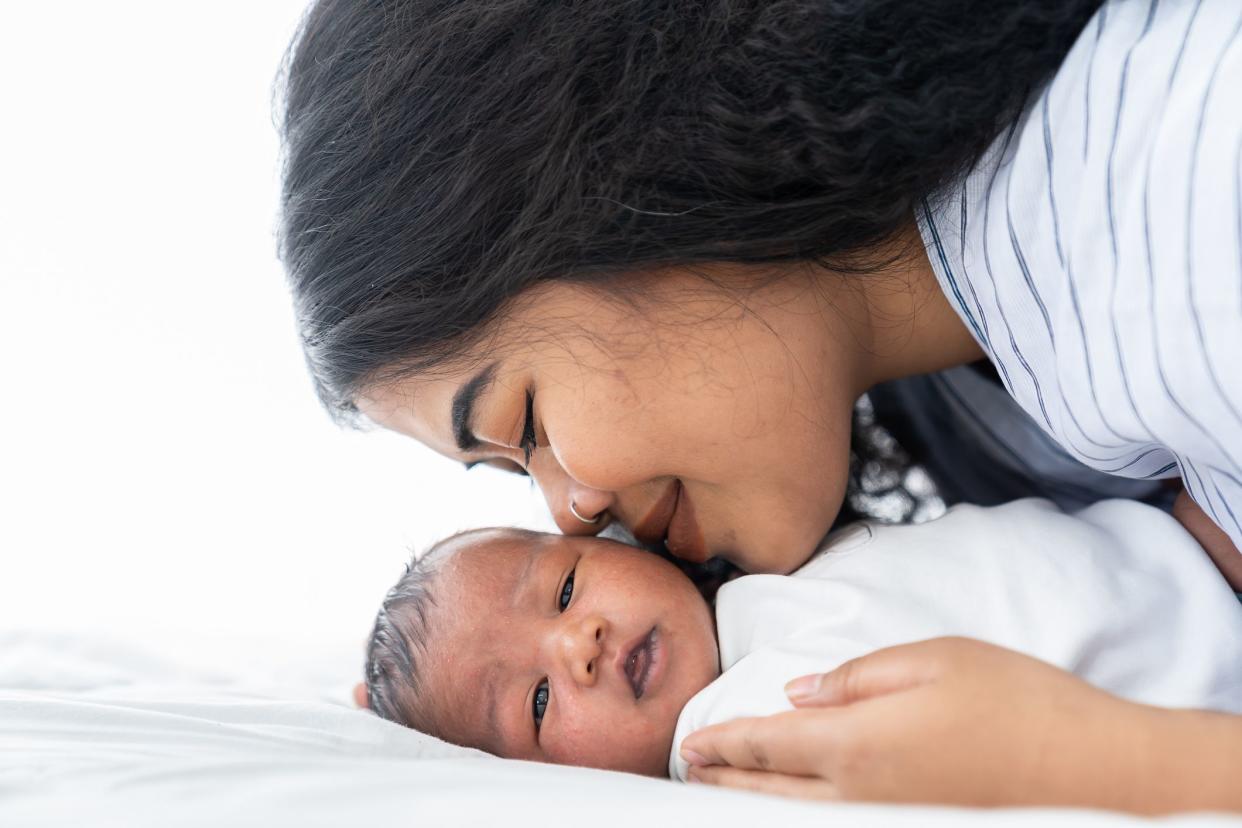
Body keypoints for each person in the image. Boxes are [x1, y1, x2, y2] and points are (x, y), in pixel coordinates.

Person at [278, 0, 1242, 810]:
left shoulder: (1184, 207)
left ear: (626, 191)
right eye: (516, 472)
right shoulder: (994, 385)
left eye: (525, 424)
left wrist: (1113, 763)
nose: (569, 511)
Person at [359, 500, 1242, 792]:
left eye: (564, 588)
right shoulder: (730, 747)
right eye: (540, 703)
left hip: (1187, 546)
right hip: (1196, 696)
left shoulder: (763, 561)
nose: (577, 644)